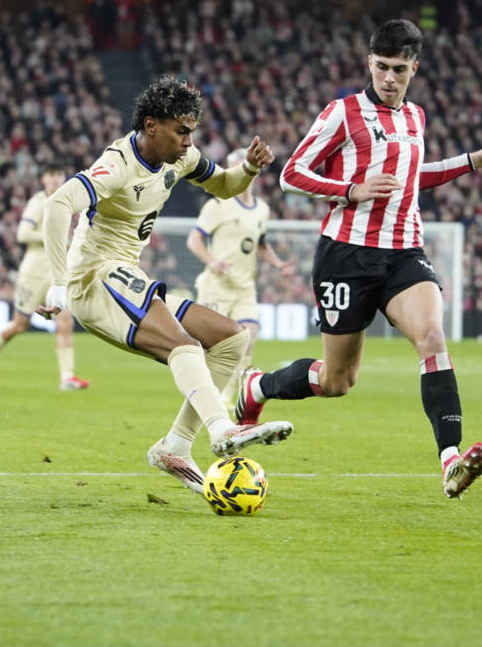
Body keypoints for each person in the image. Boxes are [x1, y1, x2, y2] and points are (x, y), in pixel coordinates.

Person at [233, 19, 482, 499]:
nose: (389, 78)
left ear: (415, 68)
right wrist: (352, 190)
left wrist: (477, 158)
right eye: (382, 67)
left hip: (404, 251)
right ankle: (257, 388)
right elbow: (291, 174)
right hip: (346, 256)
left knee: (432, 337)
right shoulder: (343, 113)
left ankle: (450, 461)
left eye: (399, 69)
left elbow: (414, 176)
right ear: (369, 63)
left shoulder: (416, 117)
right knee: (336, 381)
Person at [35, 75, 294, 494]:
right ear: (151, 126)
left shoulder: (180, 158)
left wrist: (248, 168)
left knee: (232, 339)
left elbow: (225, 186)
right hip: (95, 278)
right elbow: (58, 203)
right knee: (183, 345)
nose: (189, 141)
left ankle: (176, 446)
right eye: (181, 131)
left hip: (125, 277)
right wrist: (58, 283)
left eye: (192, 131)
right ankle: (222, 428)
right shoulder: (118, 164)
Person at [186, 148, 295, 403]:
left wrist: (277, 264)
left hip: (245, 287)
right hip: (217, 286)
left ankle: (226, 397)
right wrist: (212, 262)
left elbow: (260, 244)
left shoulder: (262, 209)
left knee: (249, 336)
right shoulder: (218, 204)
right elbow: (194, 240)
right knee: (210, 346)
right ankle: (201, 392)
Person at [0, 164, 90, 391]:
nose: (55, 179)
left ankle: (67, 377)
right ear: (43, 179)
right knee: (20, 324)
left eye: (59, 174)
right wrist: (52, 236)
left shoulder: (67, 201)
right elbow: (22, 233)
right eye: (51, 175)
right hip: (34, 272)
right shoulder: (38, 202)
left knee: (65, 321)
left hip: (57, 271)